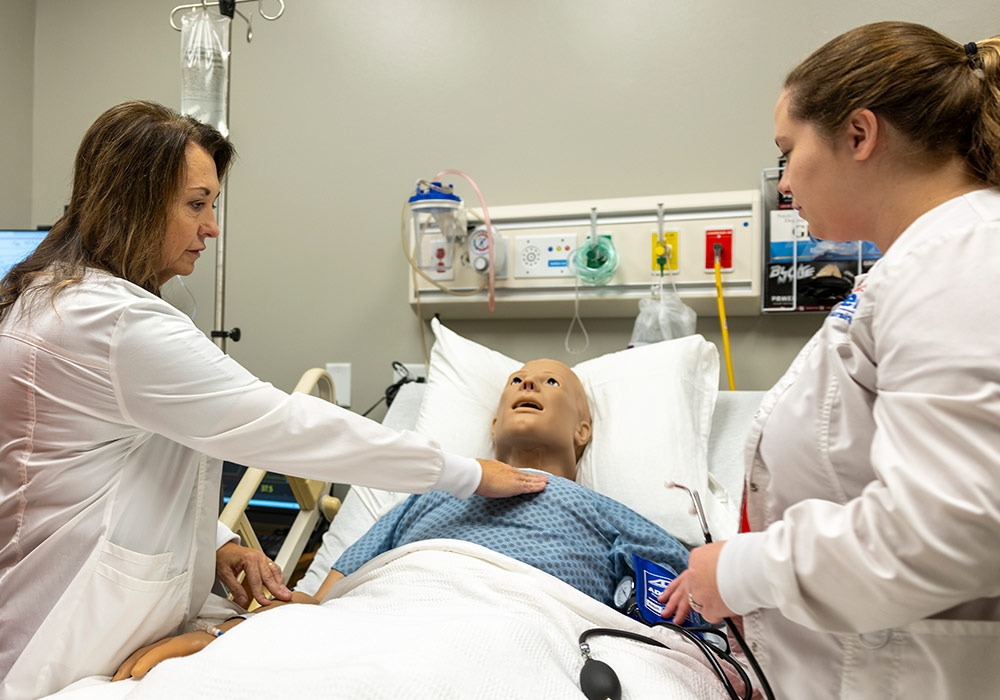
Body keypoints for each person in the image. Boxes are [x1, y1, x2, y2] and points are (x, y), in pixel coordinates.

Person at [0, 100, 546, 700]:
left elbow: (98, 467)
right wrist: (467, 473)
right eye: (197, 204)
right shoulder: (114, 323)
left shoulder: (50, 300)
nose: (211, 227)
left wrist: (214, 544)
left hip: (84, 612)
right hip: (62, 636)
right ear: (135, 201)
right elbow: (286, 427)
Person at [660, 22, 1000, 698]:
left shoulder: (960, 260)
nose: (784, 182)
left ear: (859, 135)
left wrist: (736, 572)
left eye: (788, 151)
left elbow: (945, 529)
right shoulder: (924, 265)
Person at [113, 359, 692, 680]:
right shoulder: (428, 496)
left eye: (550, 381)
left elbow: (694, 597)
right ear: (492, 427)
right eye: (515, 380)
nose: (527, 384)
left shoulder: (600, 511)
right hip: (394, 609)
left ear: (583, 432)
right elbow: (327, 606)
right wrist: (229, 635)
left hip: (518, 623)